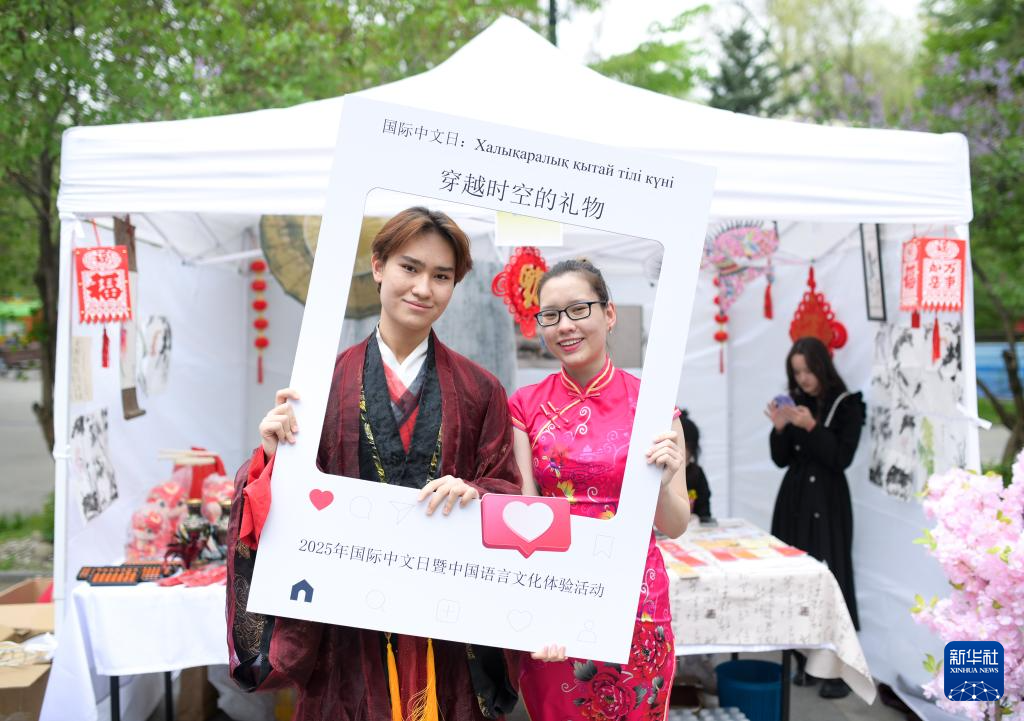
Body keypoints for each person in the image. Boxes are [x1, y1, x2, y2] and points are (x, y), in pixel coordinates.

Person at [225, 207, 522, 721]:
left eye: (442, 276)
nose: (423, 288)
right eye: (410, 268)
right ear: (378, 266)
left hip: (444, 623)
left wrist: (477, 493)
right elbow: (278, 504)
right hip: (343, 630)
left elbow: (507, 491)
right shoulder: (318, 387)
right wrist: (271, 460)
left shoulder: (481, 390)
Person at [507, 259, 690, 721]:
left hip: (636, 603)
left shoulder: (653, 406)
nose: (564, 326)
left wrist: (662, 484)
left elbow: (675, 525)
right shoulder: (524, 407)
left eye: (578, 309)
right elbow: (525, 515)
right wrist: (539, 609)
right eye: (550, 315)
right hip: (557, 597)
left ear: (609, 314)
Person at [765, 336, 864, 699]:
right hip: (795, 499)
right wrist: (780, 428)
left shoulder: (847, 404)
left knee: (832, 577)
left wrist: (811, 428)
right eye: (797, 372)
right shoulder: (796, 402)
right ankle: (803, 661)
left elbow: (840, 458)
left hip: (829, 500)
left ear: (822, 366)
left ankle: (838, 669)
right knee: (794, 576)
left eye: (808, 370)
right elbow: (781, 459)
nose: (803, 379)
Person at [679, 410, 713, 522]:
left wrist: (698, 519)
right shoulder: (659, 473)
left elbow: (705, 512)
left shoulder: (697, 473)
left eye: (686, 446)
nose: (682, 451)